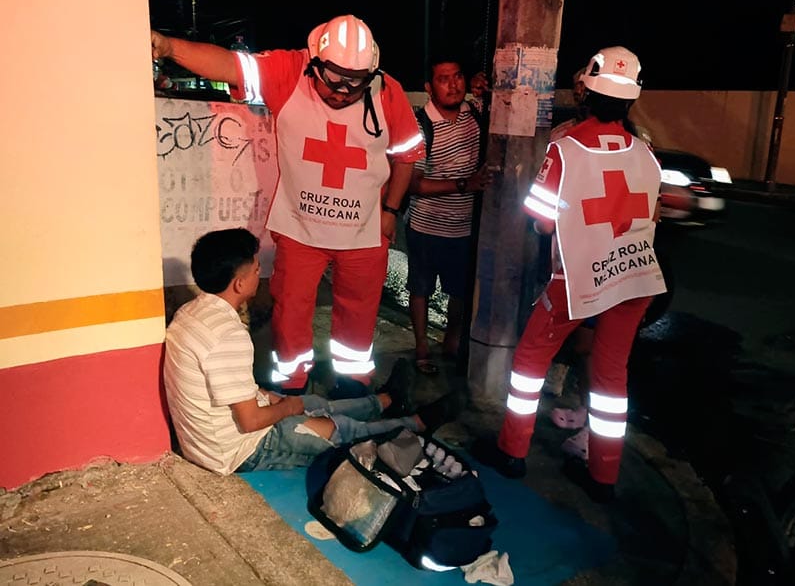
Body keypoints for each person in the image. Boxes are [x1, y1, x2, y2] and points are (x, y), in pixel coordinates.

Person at [152, 15, 426, 398]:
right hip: (301, 230)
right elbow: (230, 64)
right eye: (334, 77)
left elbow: (407, 154)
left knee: (359, 318)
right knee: (291, 314)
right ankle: (292, 387)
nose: (345, 91)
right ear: (315, 62)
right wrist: (168, 46)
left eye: (356, 80)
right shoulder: (288, 71)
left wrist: (390, 211)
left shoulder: (387, 91)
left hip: (364, 234)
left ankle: (352, 387)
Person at [472, 47, 667, 503]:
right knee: (611, 378)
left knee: (529, 362)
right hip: (635, 277)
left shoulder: (566, 149)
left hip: (579, 279)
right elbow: (654, 214)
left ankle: (511, 450)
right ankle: (603, 476)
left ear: (587, 92)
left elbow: (540, 220)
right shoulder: (646, 152)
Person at [163, 228, 460, 476]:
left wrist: (271, 398)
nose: (260, 273)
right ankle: (417, 424)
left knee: (312, 401)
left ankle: (386, 400)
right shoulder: (228, 335)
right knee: (339, 431)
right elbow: (250, 422)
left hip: (214, 437)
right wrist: (286, 408)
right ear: (239, 283)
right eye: (256, 269)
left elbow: (233, 393)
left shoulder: (190, 313)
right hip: (238, 450)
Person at [404, 53, 492, 376]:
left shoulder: (476, 114)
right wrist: (464, 184)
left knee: (460, 289)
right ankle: (422, 346)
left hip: (464, 227)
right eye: (444, 79)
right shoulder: (420, 125)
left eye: (457, 76)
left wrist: (488, 87)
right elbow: (414, 184)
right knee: (420, 288)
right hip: (426, 225)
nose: (453, 85)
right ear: (429, 87)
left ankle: (451, 341)